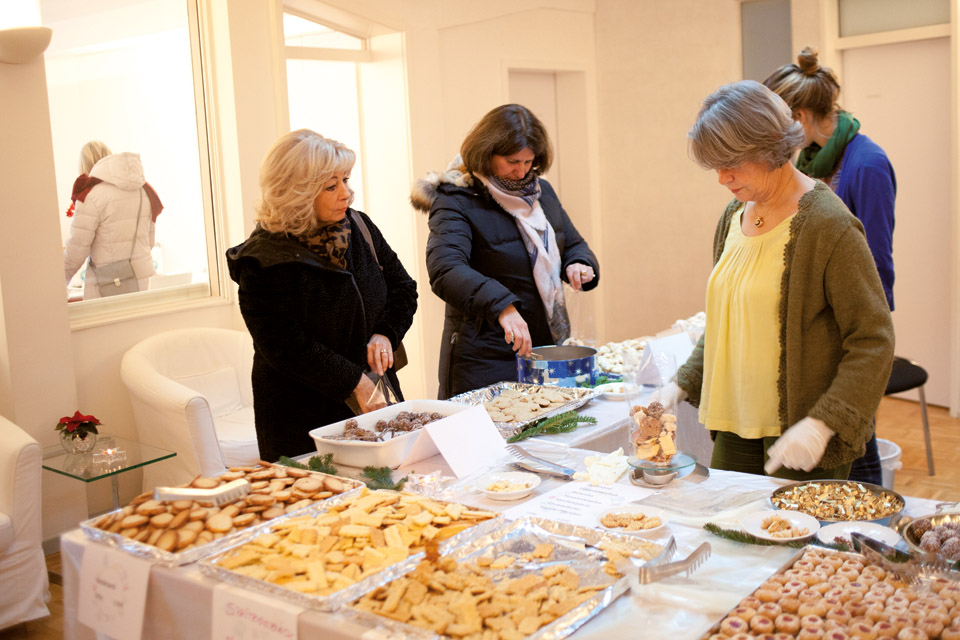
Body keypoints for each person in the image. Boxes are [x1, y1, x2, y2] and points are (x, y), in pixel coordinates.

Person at [675, 80, 894, 480]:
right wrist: (684, 382)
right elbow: (728, 318)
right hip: (735, 421)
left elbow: (873, 339)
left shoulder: (830, 226)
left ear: (771, 148)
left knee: (790, 524)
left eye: (731, 163)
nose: (721, 178)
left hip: (799, 433)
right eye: (714, 166)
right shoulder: (734, 215)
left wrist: (823, 423)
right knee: (730, 520)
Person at [227, 129, 418, 462]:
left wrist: (386, 333)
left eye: (345, 180)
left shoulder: (359, 227)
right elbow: (285, 346)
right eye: (332, 186)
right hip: (300, 416)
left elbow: (403, 288)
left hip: (374, 394)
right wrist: (352, 381)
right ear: (296, 193)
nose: (347, 194)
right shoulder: (262, 260)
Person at [764, 47, 896, 486]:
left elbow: (876, 263)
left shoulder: (868, 164)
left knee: (854, 439)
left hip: (852, 323)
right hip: (817, 324)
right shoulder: (811, 158)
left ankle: (871, 517)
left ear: (799, 117)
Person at [411, 104, 600, 399]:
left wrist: (578, 262)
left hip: (540, 349)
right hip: (483, 355)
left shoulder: (541, 192)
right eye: (512, 161)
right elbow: (445, 269)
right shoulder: (456, 199)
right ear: (487, 153)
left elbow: (573, 243)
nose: (521, 171)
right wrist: (502, 305)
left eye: (528, 162)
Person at [64, 142, 163, 299]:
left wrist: (60, 280)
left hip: (109, 287)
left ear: (84, 164)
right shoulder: (144, 191)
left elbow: (77, 249)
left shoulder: (91, 196)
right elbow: (149, 242)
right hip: (145, 283)